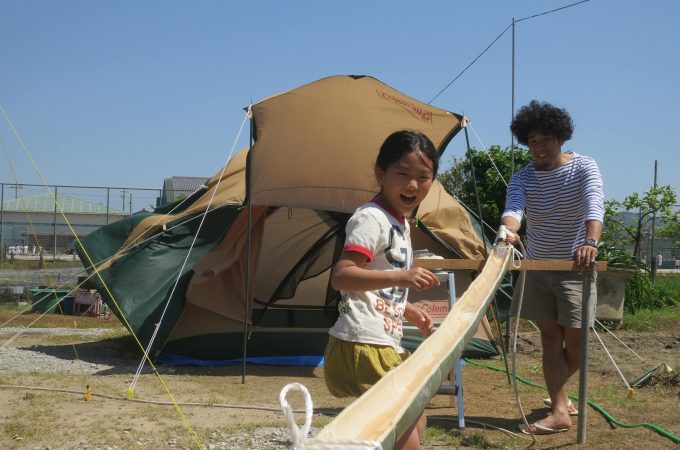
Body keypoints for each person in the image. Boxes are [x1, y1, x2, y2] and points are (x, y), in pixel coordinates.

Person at [324, 130, 439, 450]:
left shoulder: (399, 221)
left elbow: (374, 283)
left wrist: (405, 309)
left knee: (416, 418)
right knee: (404, 431)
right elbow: (343, 276)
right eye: (402, 174)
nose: (413, 185)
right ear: (380, 173)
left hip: (380, 339)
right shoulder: (371, 218)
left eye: (423, 177)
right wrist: (403, 277)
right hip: (363, 343)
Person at [501, 100, 604, 435]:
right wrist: (507, 232)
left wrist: (590, 241)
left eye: (545, 138)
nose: (539, 146)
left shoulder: (584, 167)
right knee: (549, 339)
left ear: (560, 137)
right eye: (532, 141)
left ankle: (558, 395)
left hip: (575, 267)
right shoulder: (523, 176)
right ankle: (560, 410)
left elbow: (594, 205)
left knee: (576, 346)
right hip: (537, 267)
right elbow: (513, 210)